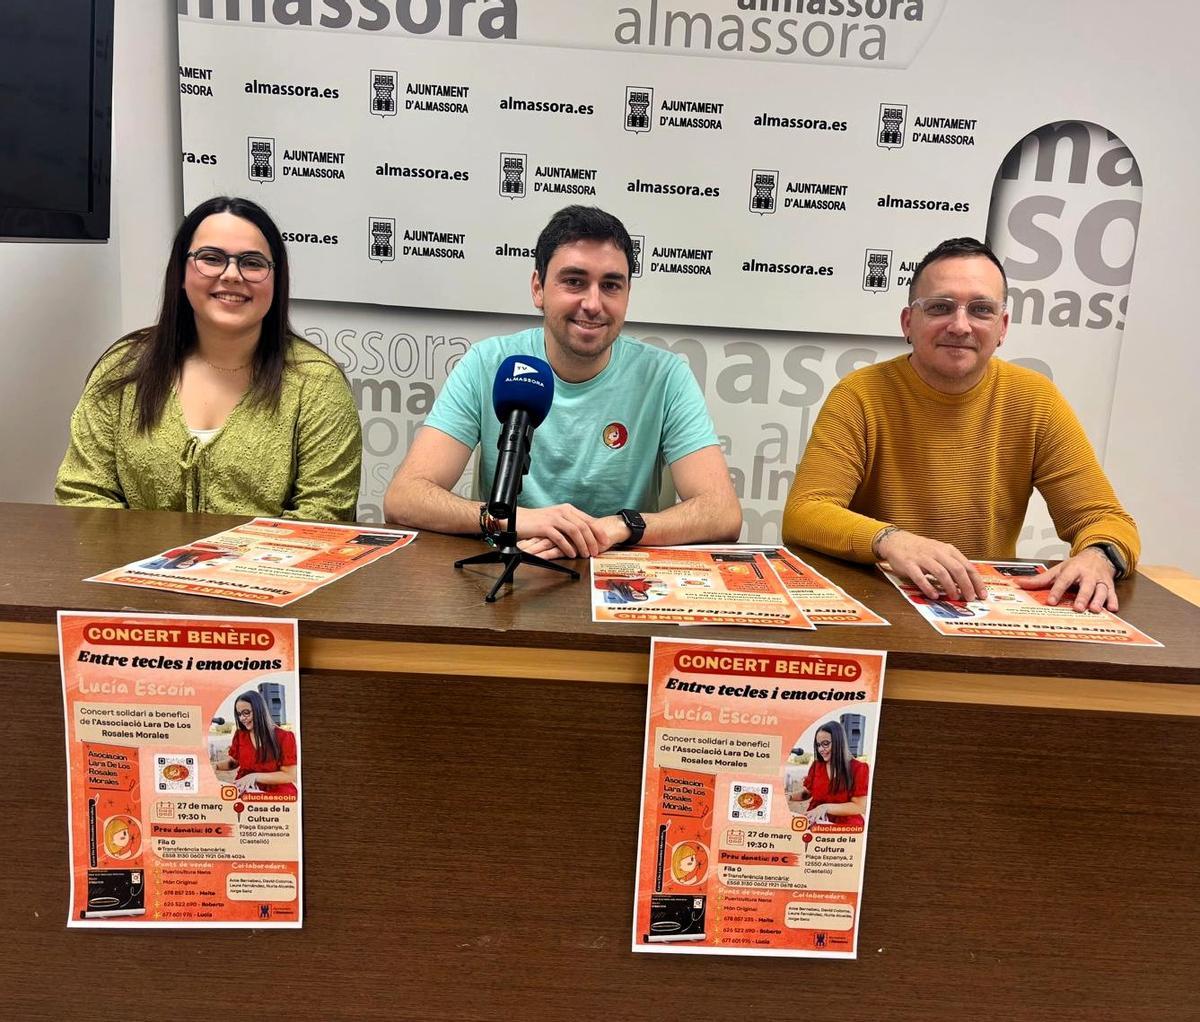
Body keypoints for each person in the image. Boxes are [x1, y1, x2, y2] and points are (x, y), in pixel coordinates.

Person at [783, 236, 1139, 614]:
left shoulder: (1035, 399)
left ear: (1002, 328)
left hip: (983, 607)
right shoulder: (859, 395)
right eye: (940, 307)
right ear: (908, 322)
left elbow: (1105, 519)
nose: (960, 325)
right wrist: (890, 540)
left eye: (981, 310)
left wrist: (1099, 557)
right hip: (879, 602)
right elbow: (805, 511)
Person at [384, 205, 741, 557]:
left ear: (628, 296)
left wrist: (616, 527)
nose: (592, 303)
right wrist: (514, 521)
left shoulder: (665, 376)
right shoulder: (487, 363)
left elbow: (721, 513)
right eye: (574, 282)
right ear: (538, 288)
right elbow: (405, 498)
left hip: (613, 576)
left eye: (611, 285)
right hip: (507, 570)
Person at [55, 196, 361, 521]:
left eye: (252, 263)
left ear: (276, 279)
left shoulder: (316, 382)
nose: (231, 275)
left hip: (266, 571)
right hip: (128, 569)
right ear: (182, 273)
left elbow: (325, 515)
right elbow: (83, 495)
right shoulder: (124, 367)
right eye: (211, 258)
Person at [212, 689, 297, 796]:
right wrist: (215, 766)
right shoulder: (240, 735)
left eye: (246, 713)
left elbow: (289, 775)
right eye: (239, 714)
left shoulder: (284, 737)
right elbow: (233, 762)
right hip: (245, 789)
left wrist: (254, 776)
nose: (242, 718)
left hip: (275, 793)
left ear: (259, 710)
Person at [794, 720, 868, 827]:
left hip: (844, 827)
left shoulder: (859, 768)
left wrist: (825, 807)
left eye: (825, 744)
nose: (820, 749)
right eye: (818, 745)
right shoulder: (816, 765)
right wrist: (789, 797)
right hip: (815, 823)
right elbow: (807, 793)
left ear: (839, 742)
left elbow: (859, 806)